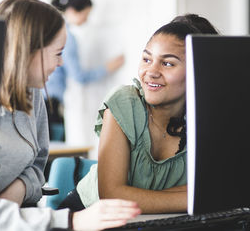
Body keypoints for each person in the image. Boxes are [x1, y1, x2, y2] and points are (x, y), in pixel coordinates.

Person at [0, 0, 140, 231]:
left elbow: (37, 165)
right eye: (58, 53)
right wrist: (71, 221)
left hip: (23, 216)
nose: (61, 64)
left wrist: (16, 191)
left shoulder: (32, 93)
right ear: (27, 51)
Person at [58, 15, 219, 213]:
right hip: (87, 215)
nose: (151, 71)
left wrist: (201, 196)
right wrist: (193, 199)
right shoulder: (125, 102)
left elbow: (218, 186)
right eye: (147, 59)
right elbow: (113, 197)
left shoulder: (209, 119)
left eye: (168, 63)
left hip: (155, 221)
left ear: (198, 70)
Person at [44, 0, 125, 141]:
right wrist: (108, 67)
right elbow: (78, 76)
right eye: (86, 15)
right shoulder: (67, 36)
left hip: (48, 99)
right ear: (72, 11)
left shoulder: (53, 31)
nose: (86, 20)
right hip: (50, 102)